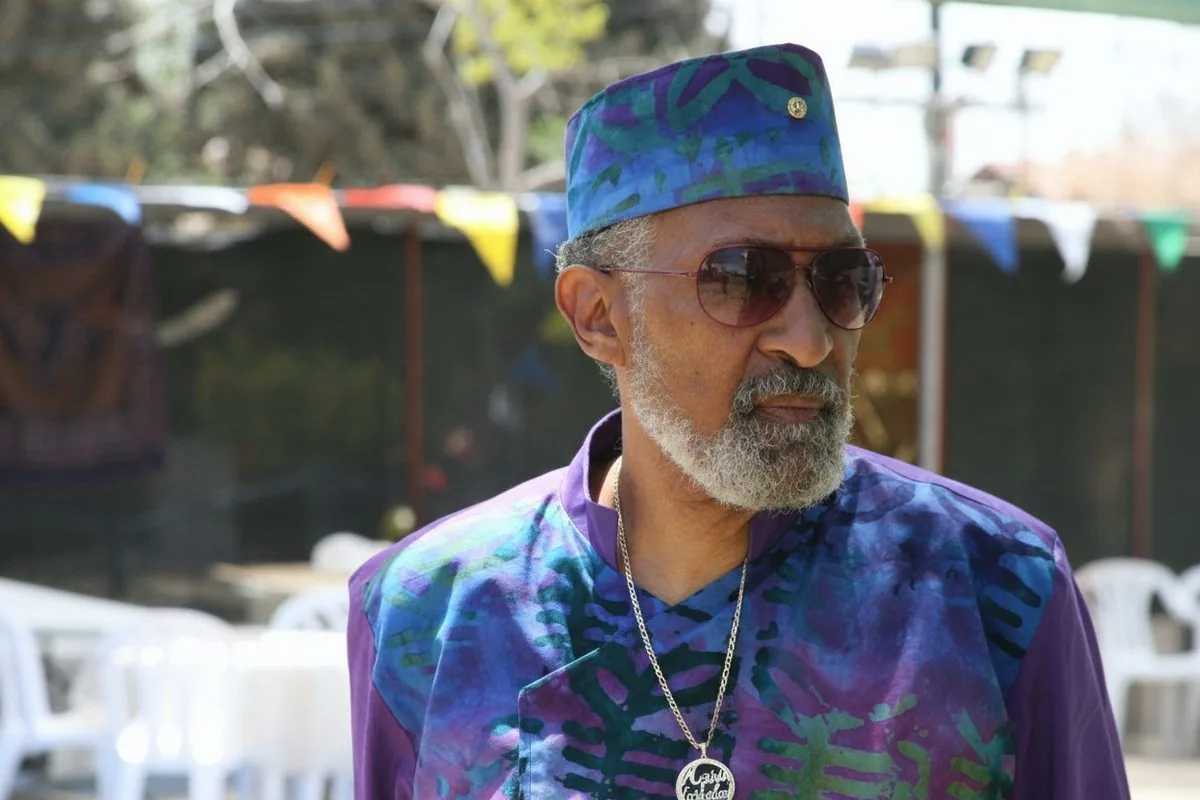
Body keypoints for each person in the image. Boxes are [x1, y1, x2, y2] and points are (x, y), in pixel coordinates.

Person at [348, 43, 1130, 799]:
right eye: (741, 278)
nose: (811, 336)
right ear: (598, 315)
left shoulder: (999, 587)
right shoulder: (427, 613)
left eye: (840, 280)